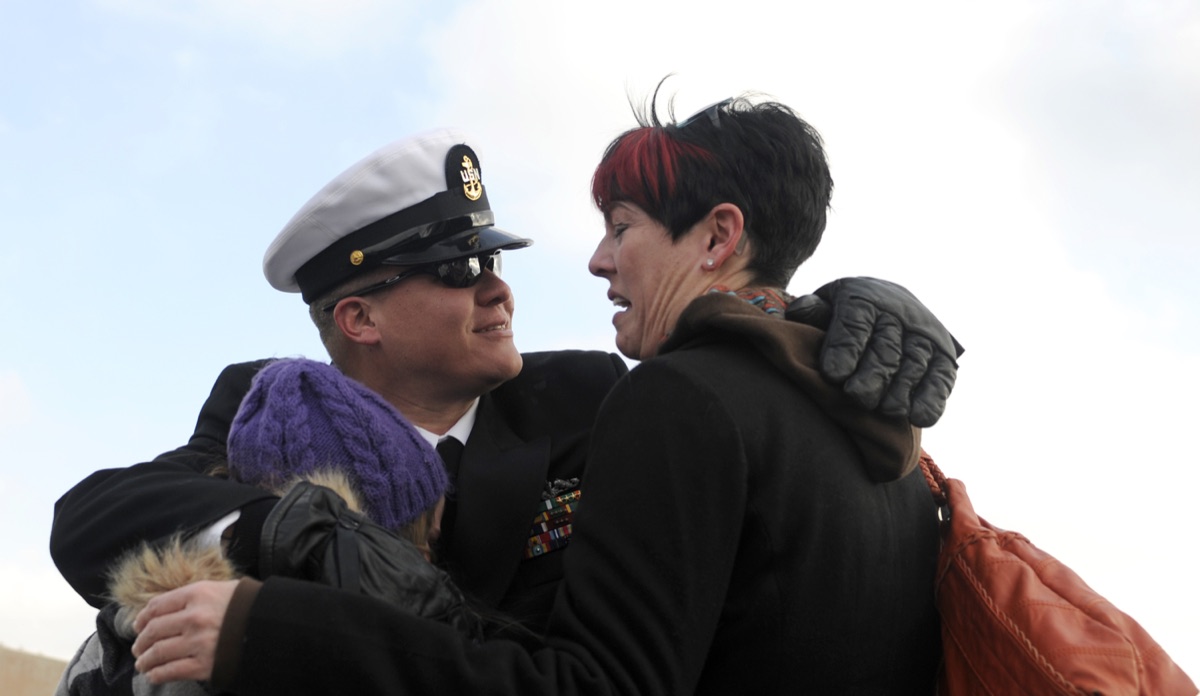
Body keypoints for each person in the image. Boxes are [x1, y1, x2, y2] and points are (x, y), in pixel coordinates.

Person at [132, 94, 947, 696]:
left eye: (621, 226)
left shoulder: (671, 397)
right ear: (358, 320)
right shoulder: (882, 426)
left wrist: (278, 632)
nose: (596, 259)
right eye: (461, 268)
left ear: (716, 238)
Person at [50, 126, 961, 645]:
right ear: (358, 320)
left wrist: (836, 306)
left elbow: (735, 379)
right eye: (457, 269)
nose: (498, 288)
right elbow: (88, 518)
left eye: (493, 257)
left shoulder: (588, 399)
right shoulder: (267, 407)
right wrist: (282, 526)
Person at [24, 357, 478, 696]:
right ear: (371, 535)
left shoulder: (105, 643)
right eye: (424, 537)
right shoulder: (364, 658)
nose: (427, 557)